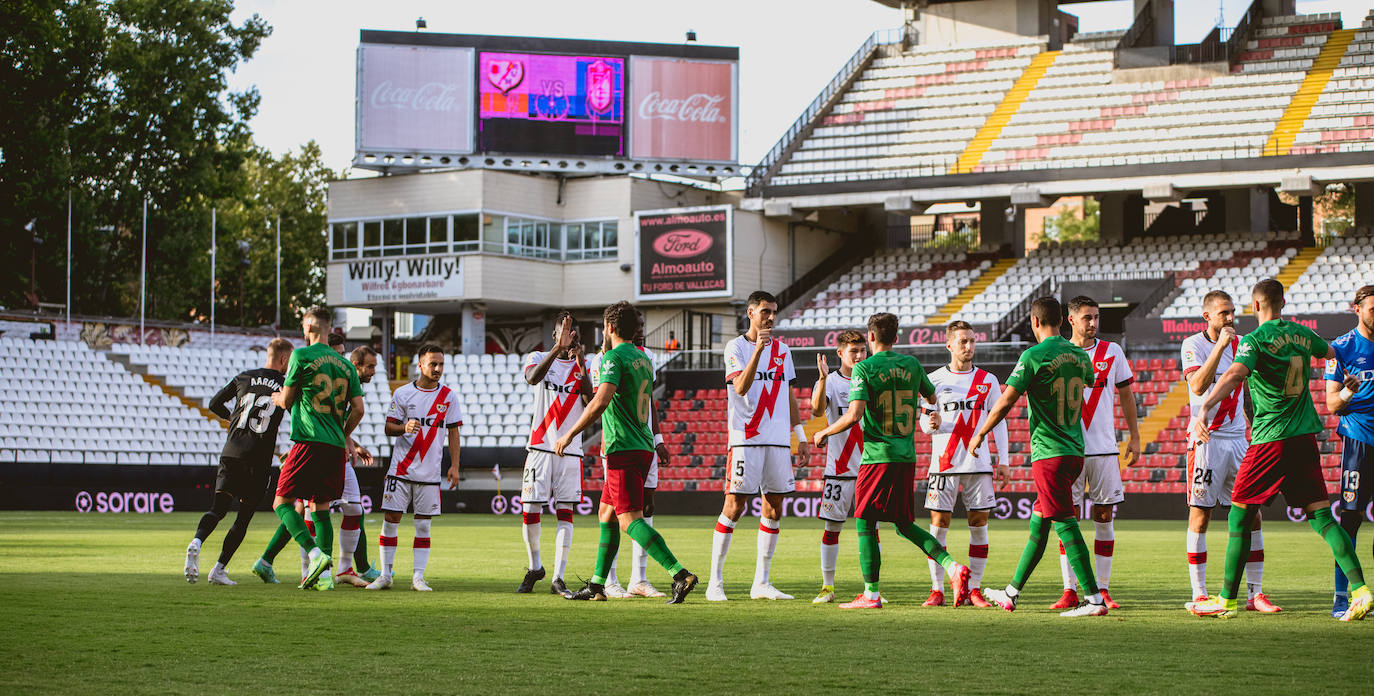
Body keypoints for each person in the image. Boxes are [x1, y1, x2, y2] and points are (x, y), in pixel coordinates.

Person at [1188, 279, 1370, 620]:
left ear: (1255, 306)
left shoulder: (1255, 340)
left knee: (1239, 516)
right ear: (1283, 303)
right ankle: (1361, 591)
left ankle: (1226, 599)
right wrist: (1347, 383)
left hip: (1270, 439)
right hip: (1304, 439)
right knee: (1322, 518)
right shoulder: (1303, 334)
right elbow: (1332, 353)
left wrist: (1205, 406)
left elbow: (1235, 374)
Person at [811, 312, 972, 610]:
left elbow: (854, 415)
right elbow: (933, 398)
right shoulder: (911, 364)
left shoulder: (864, 369)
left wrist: (824, 431)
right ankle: (953, 568)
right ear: (896, 338)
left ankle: (871, 594)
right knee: (903, 524)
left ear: (870, 337)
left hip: (877, 457)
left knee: (864, 521)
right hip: (906, 457)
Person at [555, 300, 698, 604]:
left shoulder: (613, 358)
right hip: (642, 444)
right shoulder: (643, 359)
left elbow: (600, 401)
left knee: (628, 519)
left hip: (622, 446)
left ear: (608, 327)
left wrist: (569, 433)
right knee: (606, 514)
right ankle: (596, 585)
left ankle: (679, 573)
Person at [974, 297, 1110, 617]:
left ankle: (1093, 599)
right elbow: (1089, 382)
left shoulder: (1033, 356)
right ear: (1062, 321)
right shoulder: (1079, 355)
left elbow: (1007, 401)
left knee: (1064, 522)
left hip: (1049, 452)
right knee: (1040, 523)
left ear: (1035, 323)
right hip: (1075, 450)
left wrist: (981, 433)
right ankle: (1011, 592)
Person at [1179, 291, 1278, 611]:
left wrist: (1250, 423)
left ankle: (1255, 594)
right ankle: (1199, 593)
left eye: (1233, 312)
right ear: (1206, 316)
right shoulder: (1192, 345)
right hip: (1206, 441)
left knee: (1253, 515)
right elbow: (1196, 387)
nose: (1231, 318)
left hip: (1238, 441)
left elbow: (1246, 389)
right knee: (1200, 516)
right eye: (1223, 313)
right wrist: (1220, 345)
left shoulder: (1244, 343)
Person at [709, 290, 809, 601]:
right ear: (751, 313)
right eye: (765, 311)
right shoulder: (735, 347)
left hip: (778, 441)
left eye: (773, 311)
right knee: (734, 506)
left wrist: (801, 436)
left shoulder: (783, 350)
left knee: (774, 508)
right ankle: (715, 582)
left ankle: (761, 583)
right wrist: (758, 351)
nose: (770, 317)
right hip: (746, 439)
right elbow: (740, 386)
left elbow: (789, 394)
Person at [254, 307, 364, 590]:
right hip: (334, 446)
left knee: (281, 502)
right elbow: (359, 409)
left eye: (303, 325)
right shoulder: (346, 365)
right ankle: (325, 577)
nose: (302, 331)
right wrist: (343, 433)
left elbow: (289, 401)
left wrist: (277, 397)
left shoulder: (301, 356)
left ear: (311, 326)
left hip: (308, 441)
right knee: (322, 508)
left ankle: (315, 555)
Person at [1050, 296, 1138, 610]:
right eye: (1087, 318)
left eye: (1096, 317)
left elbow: (1127, 396)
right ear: (1070, 320)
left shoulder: (1112, 352)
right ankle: (1069, 589)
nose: (1093, 323)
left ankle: (1102, 589)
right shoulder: (1059, 354)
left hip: (1103, 449)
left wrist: (1134, 437)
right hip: (1069, 450)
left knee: (1103, 517)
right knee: (1068, 520)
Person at [184, 338, 293, 585]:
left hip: (231, 452)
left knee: (217, 509)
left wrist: (231, 419)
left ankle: (197, 541)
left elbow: (214, 404)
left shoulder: (243, 377)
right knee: (243, 517)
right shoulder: (285, 385)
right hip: (258, 459)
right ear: (284, 359)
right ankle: (219, 569)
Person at [920, 320, 1009, 607]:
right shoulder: (932, 380)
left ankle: (975, 589)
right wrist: (929, 423)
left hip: (978, 464)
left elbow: (1000, 422)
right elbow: (924, 423)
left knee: (979, 524)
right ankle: (937, 589)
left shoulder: (989, 380)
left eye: (972, 341)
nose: (969, 346)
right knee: (938, 525)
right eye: (963, 342)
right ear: (949, 345)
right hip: (943, 464)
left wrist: (1004, 461)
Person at [585, 325, 673, 598]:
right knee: (617, 514)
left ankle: (638, 579)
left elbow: (649, 403)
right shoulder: (603, 358)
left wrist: (658, 438)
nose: (641, 330)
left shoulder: (646, 357)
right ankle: (607, 582)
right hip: (620, 444)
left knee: (638, 509)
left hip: (637, 441)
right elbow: (597, 398)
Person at [366, 343, 462, 591]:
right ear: (420, 365)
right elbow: (389, 428)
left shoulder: (448, 397)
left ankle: (418, 577)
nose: (438, 368)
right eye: (433, 363)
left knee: (422, 524)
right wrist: (404, 427)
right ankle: (386, 575)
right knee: (391, 519)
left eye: (441, 364)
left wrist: (454, 466)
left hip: (429, 472)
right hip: (400, 469)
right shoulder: (402, 394)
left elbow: (453, 433)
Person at [516, 311, 591, 596]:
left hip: (570, 450)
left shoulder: (585, 365)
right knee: (530, 509)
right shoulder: (537, 358)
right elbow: (533, 379)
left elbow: (588, 399)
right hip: (539, 446)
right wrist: (557, 350)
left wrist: (580, 363)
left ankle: (558, 577)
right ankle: (536, 566)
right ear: (554, 335)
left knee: (565, 511)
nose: (570, 338)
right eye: (565, 333)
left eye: (574, 335)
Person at [809, 329, 868, 604]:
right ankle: (828, 586)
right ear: (840, 353)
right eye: (853, 351)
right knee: (832, 529)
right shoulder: (830, 382)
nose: (858, 355)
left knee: (870, 528)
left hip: (869, 467)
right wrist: (821, 378)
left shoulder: (870, 378)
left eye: (862, 350)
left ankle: (871, 588)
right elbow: (817, 411)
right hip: (839, 469)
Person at [1328, 285, 1374, 618]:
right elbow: (1331, 404)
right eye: (1373, 308)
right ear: (1356, 308)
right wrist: (1347, 392)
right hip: (1359, 441)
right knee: (1351, 521)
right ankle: (1343, 598)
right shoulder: (1341, 348)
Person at [334, 345, 382, 587]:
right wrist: (343, 439)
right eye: (370, 366)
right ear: (356, 365)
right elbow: (353, 412)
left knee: (353, 509)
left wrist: (351, 442)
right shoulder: (341, 383)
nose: (373, 371)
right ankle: (311, 569)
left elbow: (339, 419)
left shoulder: (346, 383)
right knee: (311, 510)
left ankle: (345, 568)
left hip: (337, 450)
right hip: (324, 451)